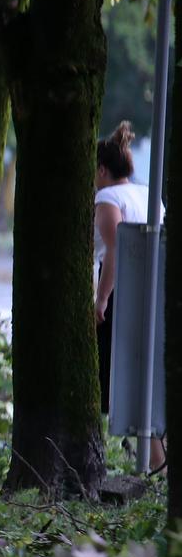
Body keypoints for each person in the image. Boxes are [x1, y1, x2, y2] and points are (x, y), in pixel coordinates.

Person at [94, 120, 165, 472]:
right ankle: (158, 458)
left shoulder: (107, 198)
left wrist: (102, 300)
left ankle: (151, 459)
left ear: (102, 169)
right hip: (153, 292)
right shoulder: (146, 193)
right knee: (147, 372)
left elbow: (114, 251)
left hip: (123, 296)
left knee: (120, 374)